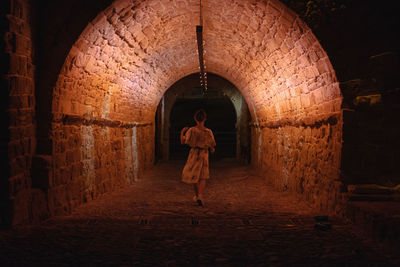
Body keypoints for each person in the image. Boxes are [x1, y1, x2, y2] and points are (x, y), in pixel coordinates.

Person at [180, 109, 216, 206]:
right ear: (205, 119)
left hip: (194, 154)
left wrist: (182, 132)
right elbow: (212, 144)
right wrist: (212, 148)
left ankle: (197, 195)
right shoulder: (208, 131)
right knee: (203, 176)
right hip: (204, 154)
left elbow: (183, 142)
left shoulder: (191, 130)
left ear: (195, 119)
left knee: (194, 175)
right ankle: (200, 195)